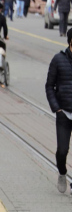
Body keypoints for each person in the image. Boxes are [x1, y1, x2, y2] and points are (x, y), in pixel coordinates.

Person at [45, 28, 72, 194]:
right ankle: (62, 173)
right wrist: (57, 108)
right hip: (64, 114)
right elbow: (49, 86)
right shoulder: (58, 59)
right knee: (62, 151)